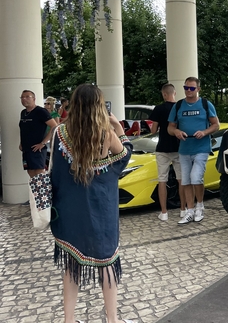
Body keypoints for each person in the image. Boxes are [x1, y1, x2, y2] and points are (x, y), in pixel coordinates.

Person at [49, 84, 135, 323]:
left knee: (72, 266)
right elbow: (121, 161)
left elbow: (55, 173)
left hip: (69, 211)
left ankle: (68, 320)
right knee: (106, 263)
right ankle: (113, 320)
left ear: (73, 105)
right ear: (100, 106)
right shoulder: (107, 134)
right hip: (101, 210)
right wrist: (120, 130)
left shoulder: (60, 133)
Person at [168, 77, 220, 224]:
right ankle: (189, 210)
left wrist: (204, 132)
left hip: (201, 148)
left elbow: (216, 124)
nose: (188, 91)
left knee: (196, 177)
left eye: (191, 88)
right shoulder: (178, 106)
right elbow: (170, 127)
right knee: (185, 180)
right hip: (184, 149)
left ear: (198, 89)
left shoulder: (205, 104)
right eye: (186, 88)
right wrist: (176, 131)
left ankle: (200, 206)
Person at [149, 83, 183, 221]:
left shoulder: (159, 109)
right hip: (179, 147)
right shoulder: (180, 107)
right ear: (174, 93)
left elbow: (153, 130)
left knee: (162, 180)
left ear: (164, 94)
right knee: (181, 180)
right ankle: (183, 209)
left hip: (162, 148)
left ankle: (164, 212)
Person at [19, 90, 58, 178]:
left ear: (34, 99)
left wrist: (43, 143)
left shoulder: (41, 111)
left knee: (39, 173)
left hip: (37, 149)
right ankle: (33, 192)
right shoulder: (23, 113)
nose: (24, 99)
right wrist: (21, 143)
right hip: (26, 149)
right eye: (22, 97)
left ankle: (42, 191)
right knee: (30, 172)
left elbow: (54, 126)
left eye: (27, 97)